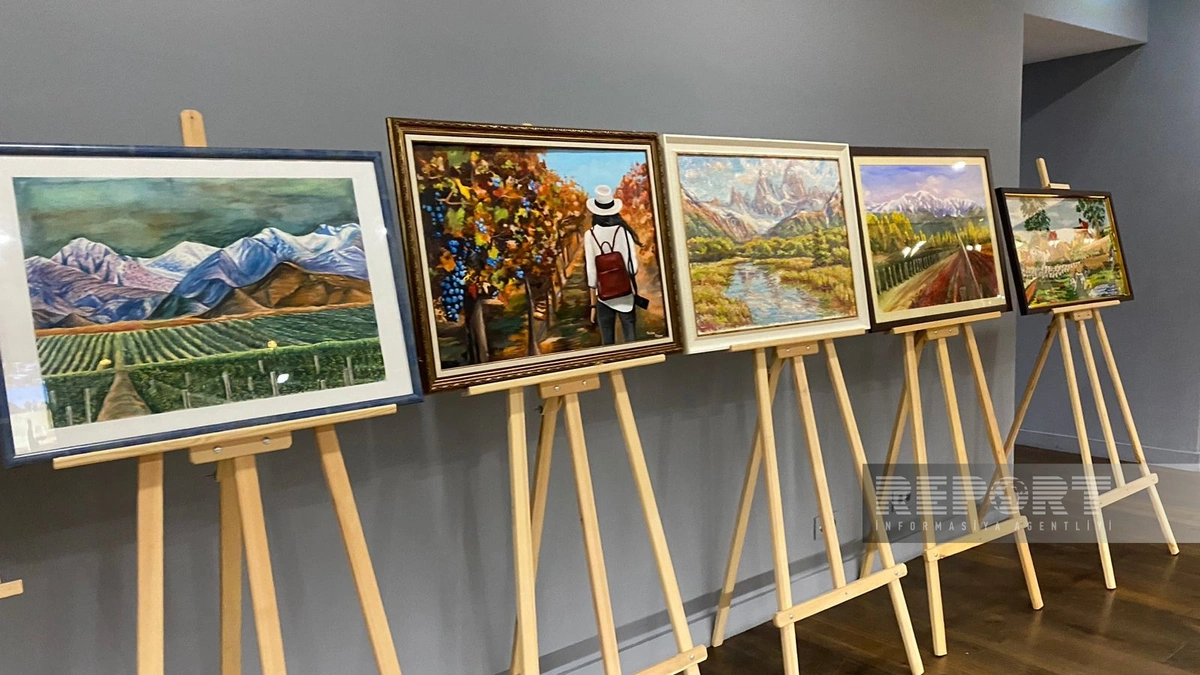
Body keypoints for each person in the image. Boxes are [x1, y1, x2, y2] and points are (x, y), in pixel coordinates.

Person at [584, 185, 643, 345]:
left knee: (608, 345)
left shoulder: (590, 235)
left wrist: (592, 306)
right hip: (626, 296)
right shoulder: (624, 232)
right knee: (632, 343)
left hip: (603, 298)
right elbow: (633, 269)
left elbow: (592, 276)